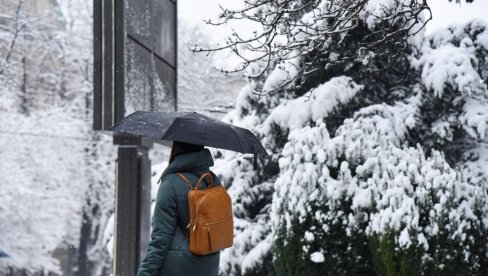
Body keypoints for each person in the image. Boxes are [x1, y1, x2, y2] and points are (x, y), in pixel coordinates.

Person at [137, 141, 221, 276]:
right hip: (208, 266)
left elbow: (161, 238)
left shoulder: (170, 184)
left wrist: (145, 272)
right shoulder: (212, 181)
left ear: (177, 148)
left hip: (177, 268)